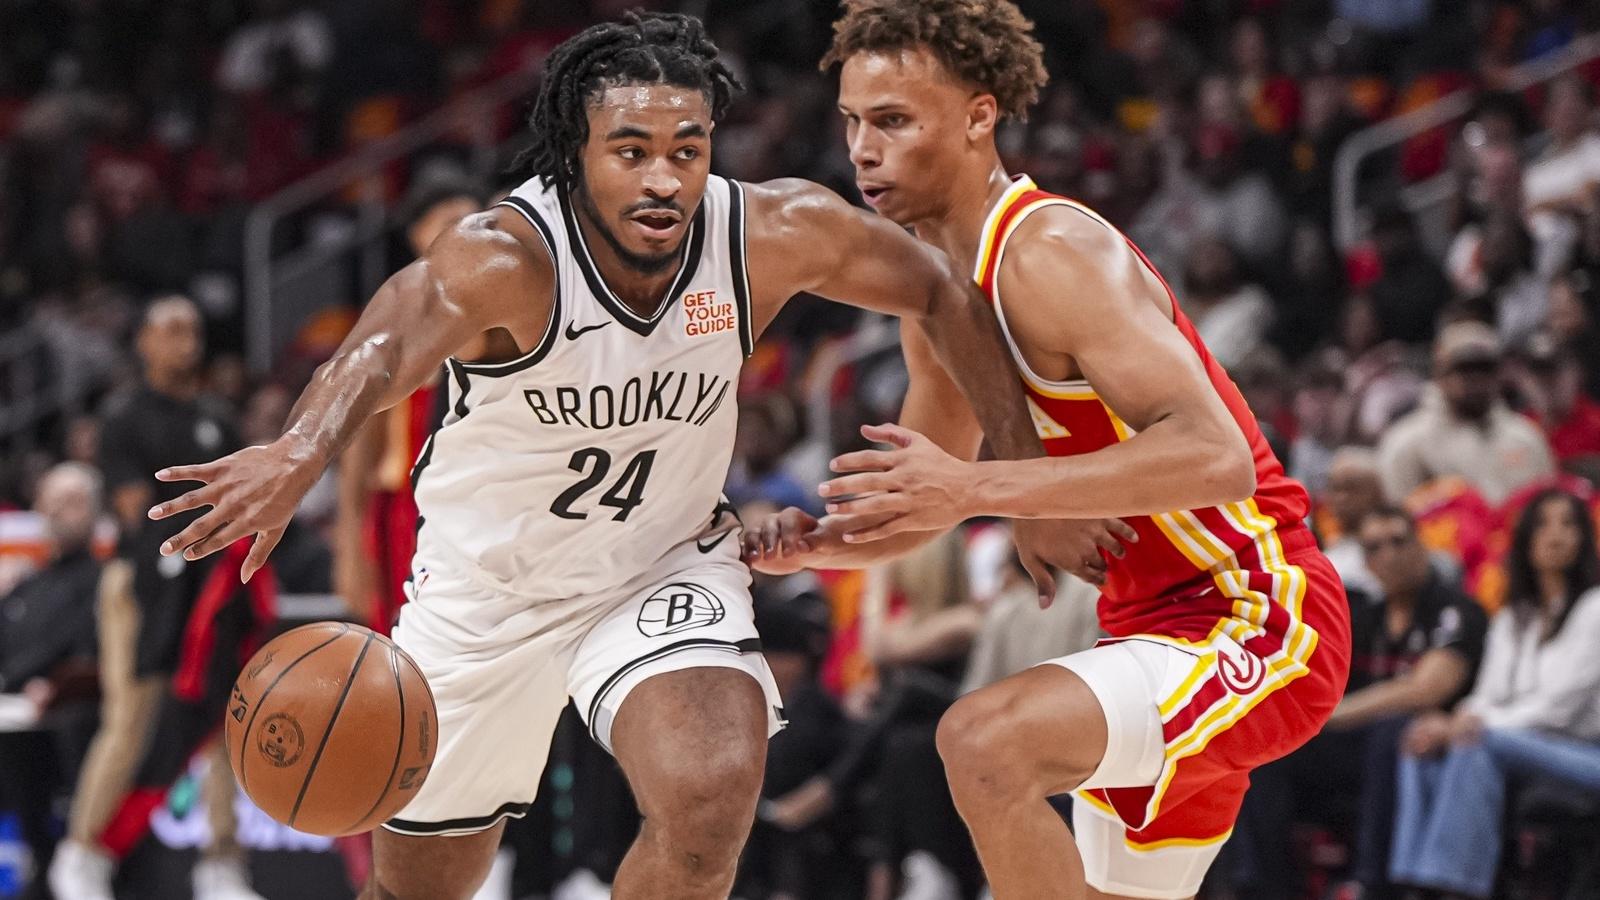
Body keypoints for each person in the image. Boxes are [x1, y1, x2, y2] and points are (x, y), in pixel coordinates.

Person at [146, 13, 1044, 900]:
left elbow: (941, 292)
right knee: (423, 887)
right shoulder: (507, 256)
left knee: (709, 799)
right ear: (574, 151)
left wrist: (1021, 483)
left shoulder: (770, 233)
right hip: (486, 596)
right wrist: (300, 448)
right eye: (631, 150)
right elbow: (386, 342)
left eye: (686, 150)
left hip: (658, 567)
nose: (663, 178)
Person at [749, 2, 1350, 896]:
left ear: (979, 116)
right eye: (851, 121)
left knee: (982, 743)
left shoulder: (1051, 251)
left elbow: (1214, 454)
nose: (862, 149)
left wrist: (985, 489)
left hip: (1260, 614)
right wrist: (823, 543)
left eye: (893, 121)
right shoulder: (938, 300)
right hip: (1145, 630)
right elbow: (929, 499)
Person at [50, 297, 270, 900]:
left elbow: (242, 503)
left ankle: (222, 864)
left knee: (226, 721)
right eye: (171, 330)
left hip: (212, 586)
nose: (186, 341)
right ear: (144, 341)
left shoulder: (218, 419)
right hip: (143, 585)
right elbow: (135, 510)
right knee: (131, 720)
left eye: (194, 330)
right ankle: (82, 853)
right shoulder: (122, 416)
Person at [1230, 507, 1486, 899]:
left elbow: (1426, 690)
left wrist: (1329, 716)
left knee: (1391, 732)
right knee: (1267, 748)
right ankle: (1266, 886)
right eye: (1375, 548)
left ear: (1422, 547)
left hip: (1434, 744)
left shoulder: (1454, 610)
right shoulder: (1362, 617)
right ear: (1366, 562)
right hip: (1355, 742)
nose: (1390, 554)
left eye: (1399, 541)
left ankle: (1370, 884)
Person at [1390, 488, 1600, 898]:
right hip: (1518, 745)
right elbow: (1487, 695)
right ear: (1525, 540)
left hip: (1584, 752)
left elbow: (1559, 710)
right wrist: (1450, 724)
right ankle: (1414, 881)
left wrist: (1473, 724)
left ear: (1584, 539)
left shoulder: (1595, 607)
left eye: (1568, 524)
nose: (1555, 535)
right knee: (1420, 740)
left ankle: (1457, 886)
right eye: (1543, 524)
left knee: (1476, 738)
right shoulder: (1510, 617)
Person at [333, 174, 485, 634]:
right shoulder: (397, 316)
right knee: (406, 650)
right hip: (405, 509)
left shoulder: (505, 309)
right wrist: (348, 544)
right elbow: (360, 444)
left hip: (479, 504)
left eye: (476, 220)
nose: (468, 230)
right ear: (419, 234)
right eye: (452, 220)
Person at [0, 463, 104, 897]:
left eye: (75, 502)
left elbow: (86, 649)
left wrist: (48, 685)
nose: (63, 513)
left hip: (68, 713)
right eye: (54, 502)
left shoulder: (103, 578)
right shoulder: (27, 584)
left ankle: (68, 865)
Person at [1377, 320, 1555, 506]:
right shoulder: (1408, 443)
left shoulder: (1526, 437)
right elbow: (1397, 515)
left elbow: (1547, 508)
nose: (1477, 379)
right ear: (1440, 374)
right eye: (1465, 370)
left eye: (1485, 369)